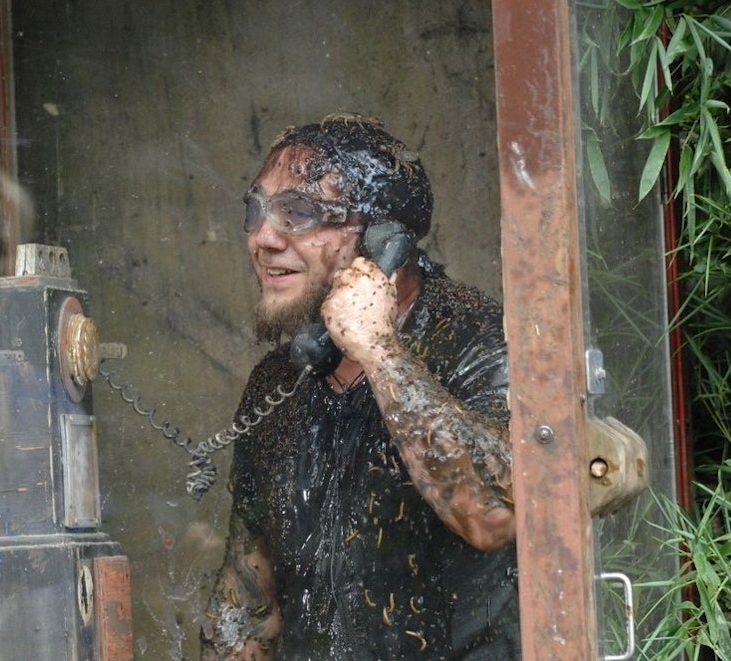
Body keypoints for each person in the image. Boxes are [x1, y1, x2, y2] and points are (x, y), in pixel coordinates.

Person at [202, 113, 519, 660]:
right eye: (256, 211)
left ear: (380, 240)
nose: (263, 238)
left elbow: (492, 514)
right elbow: (249, 601)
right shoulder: (280, 382)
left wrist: (379, 350)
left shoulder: (481, 339)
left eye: (297, 213)